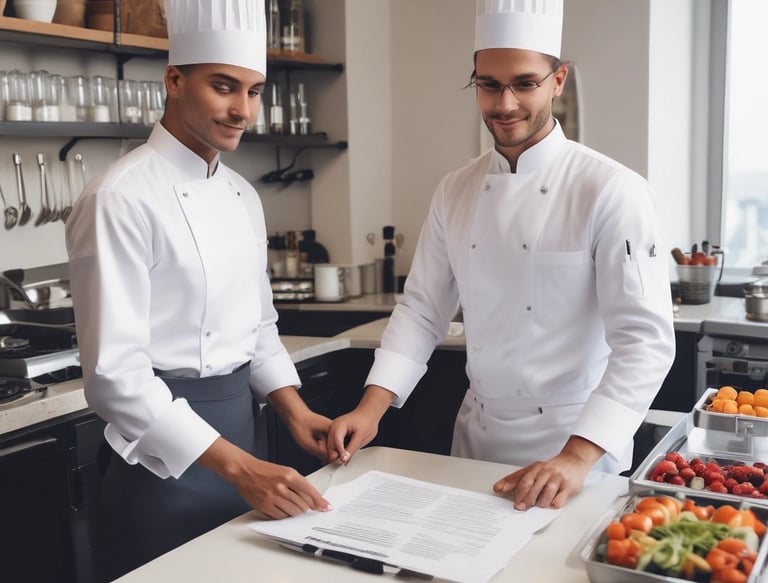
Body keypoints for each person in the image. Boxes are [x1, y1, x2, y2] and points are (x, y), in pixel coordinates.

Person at [328, 0, 675, 512]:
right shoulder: (456, 189)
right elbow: (423, 309)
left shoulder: (611, 189)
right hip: (476, 440)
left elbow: (645, 342)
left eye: (525, 83)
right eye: (488, 84)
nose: (504, 103)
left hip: (576, 447)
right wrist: (371, 406)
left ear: (557, 81)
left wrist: (576, 457)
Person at [65, 0, 331, 579]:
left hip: (242, 443)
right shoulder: (119, 197)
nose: (243, 110)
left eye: (255, 91)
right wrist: (238, 468)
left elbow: (258, 329)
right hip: (160, 466)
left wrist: (294, 410)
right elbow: (116, 377)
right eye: (224, 87)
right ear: (174, 80)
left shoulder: (241, 194)